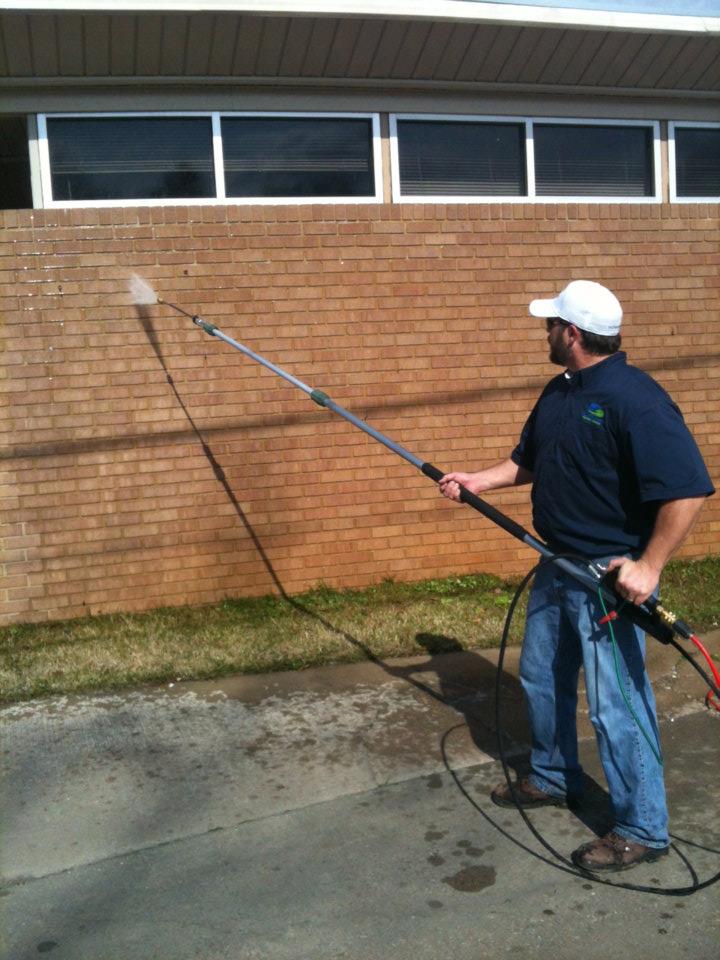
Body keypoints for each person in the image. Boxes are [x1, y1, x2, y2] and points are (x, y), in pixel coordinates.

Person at [439, 280, 714, 872]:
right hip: (555, 562)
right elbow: (527, 462)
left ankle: (643, 826)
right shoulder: (560, 392)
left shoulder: (636, 400)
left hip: (608, 580)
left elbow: (689, 488)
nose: (544, 333)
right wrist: (476, 481)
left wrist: (649, 566)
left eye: (550, 325)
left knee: (616, 706)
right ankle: (554, 775)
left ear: (572, 333)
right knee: (540, 678)